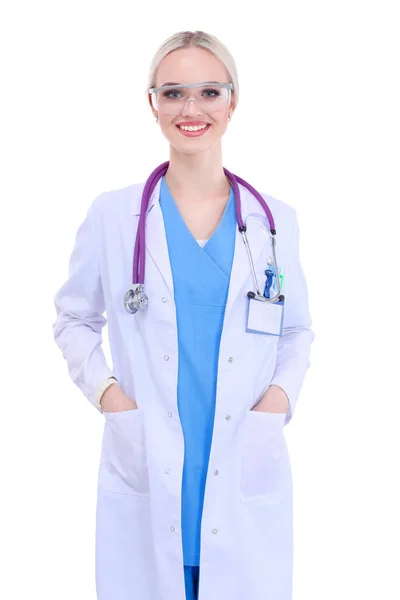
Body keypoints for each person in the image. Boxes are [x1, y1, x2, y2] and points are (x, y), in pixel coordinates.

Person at [52, 30, 315, 600]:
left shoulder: (274, 222)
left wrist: (278, 402)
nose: (190, 109)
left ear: (232, 101)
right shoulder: (116, 216)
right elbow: (73, 318)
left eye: (208, 92)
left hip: (243, 466)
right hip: (148, 467)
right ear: (152, 104)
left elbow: (295, 330)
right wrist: (110, 398)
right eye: (172, 93)